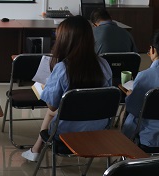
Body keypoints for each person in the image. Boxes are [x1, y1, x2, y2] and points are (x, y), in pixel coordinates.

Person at [21, 16, 113, 162]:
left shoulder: (63, 68)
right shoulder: (104, 64)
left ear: (65, 40)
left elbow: (52, 105)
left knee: (52, 112)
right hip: (100, 127)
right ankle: (35, 150)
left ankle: (35, 150)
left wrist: (46, 88)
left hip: (67, 131)